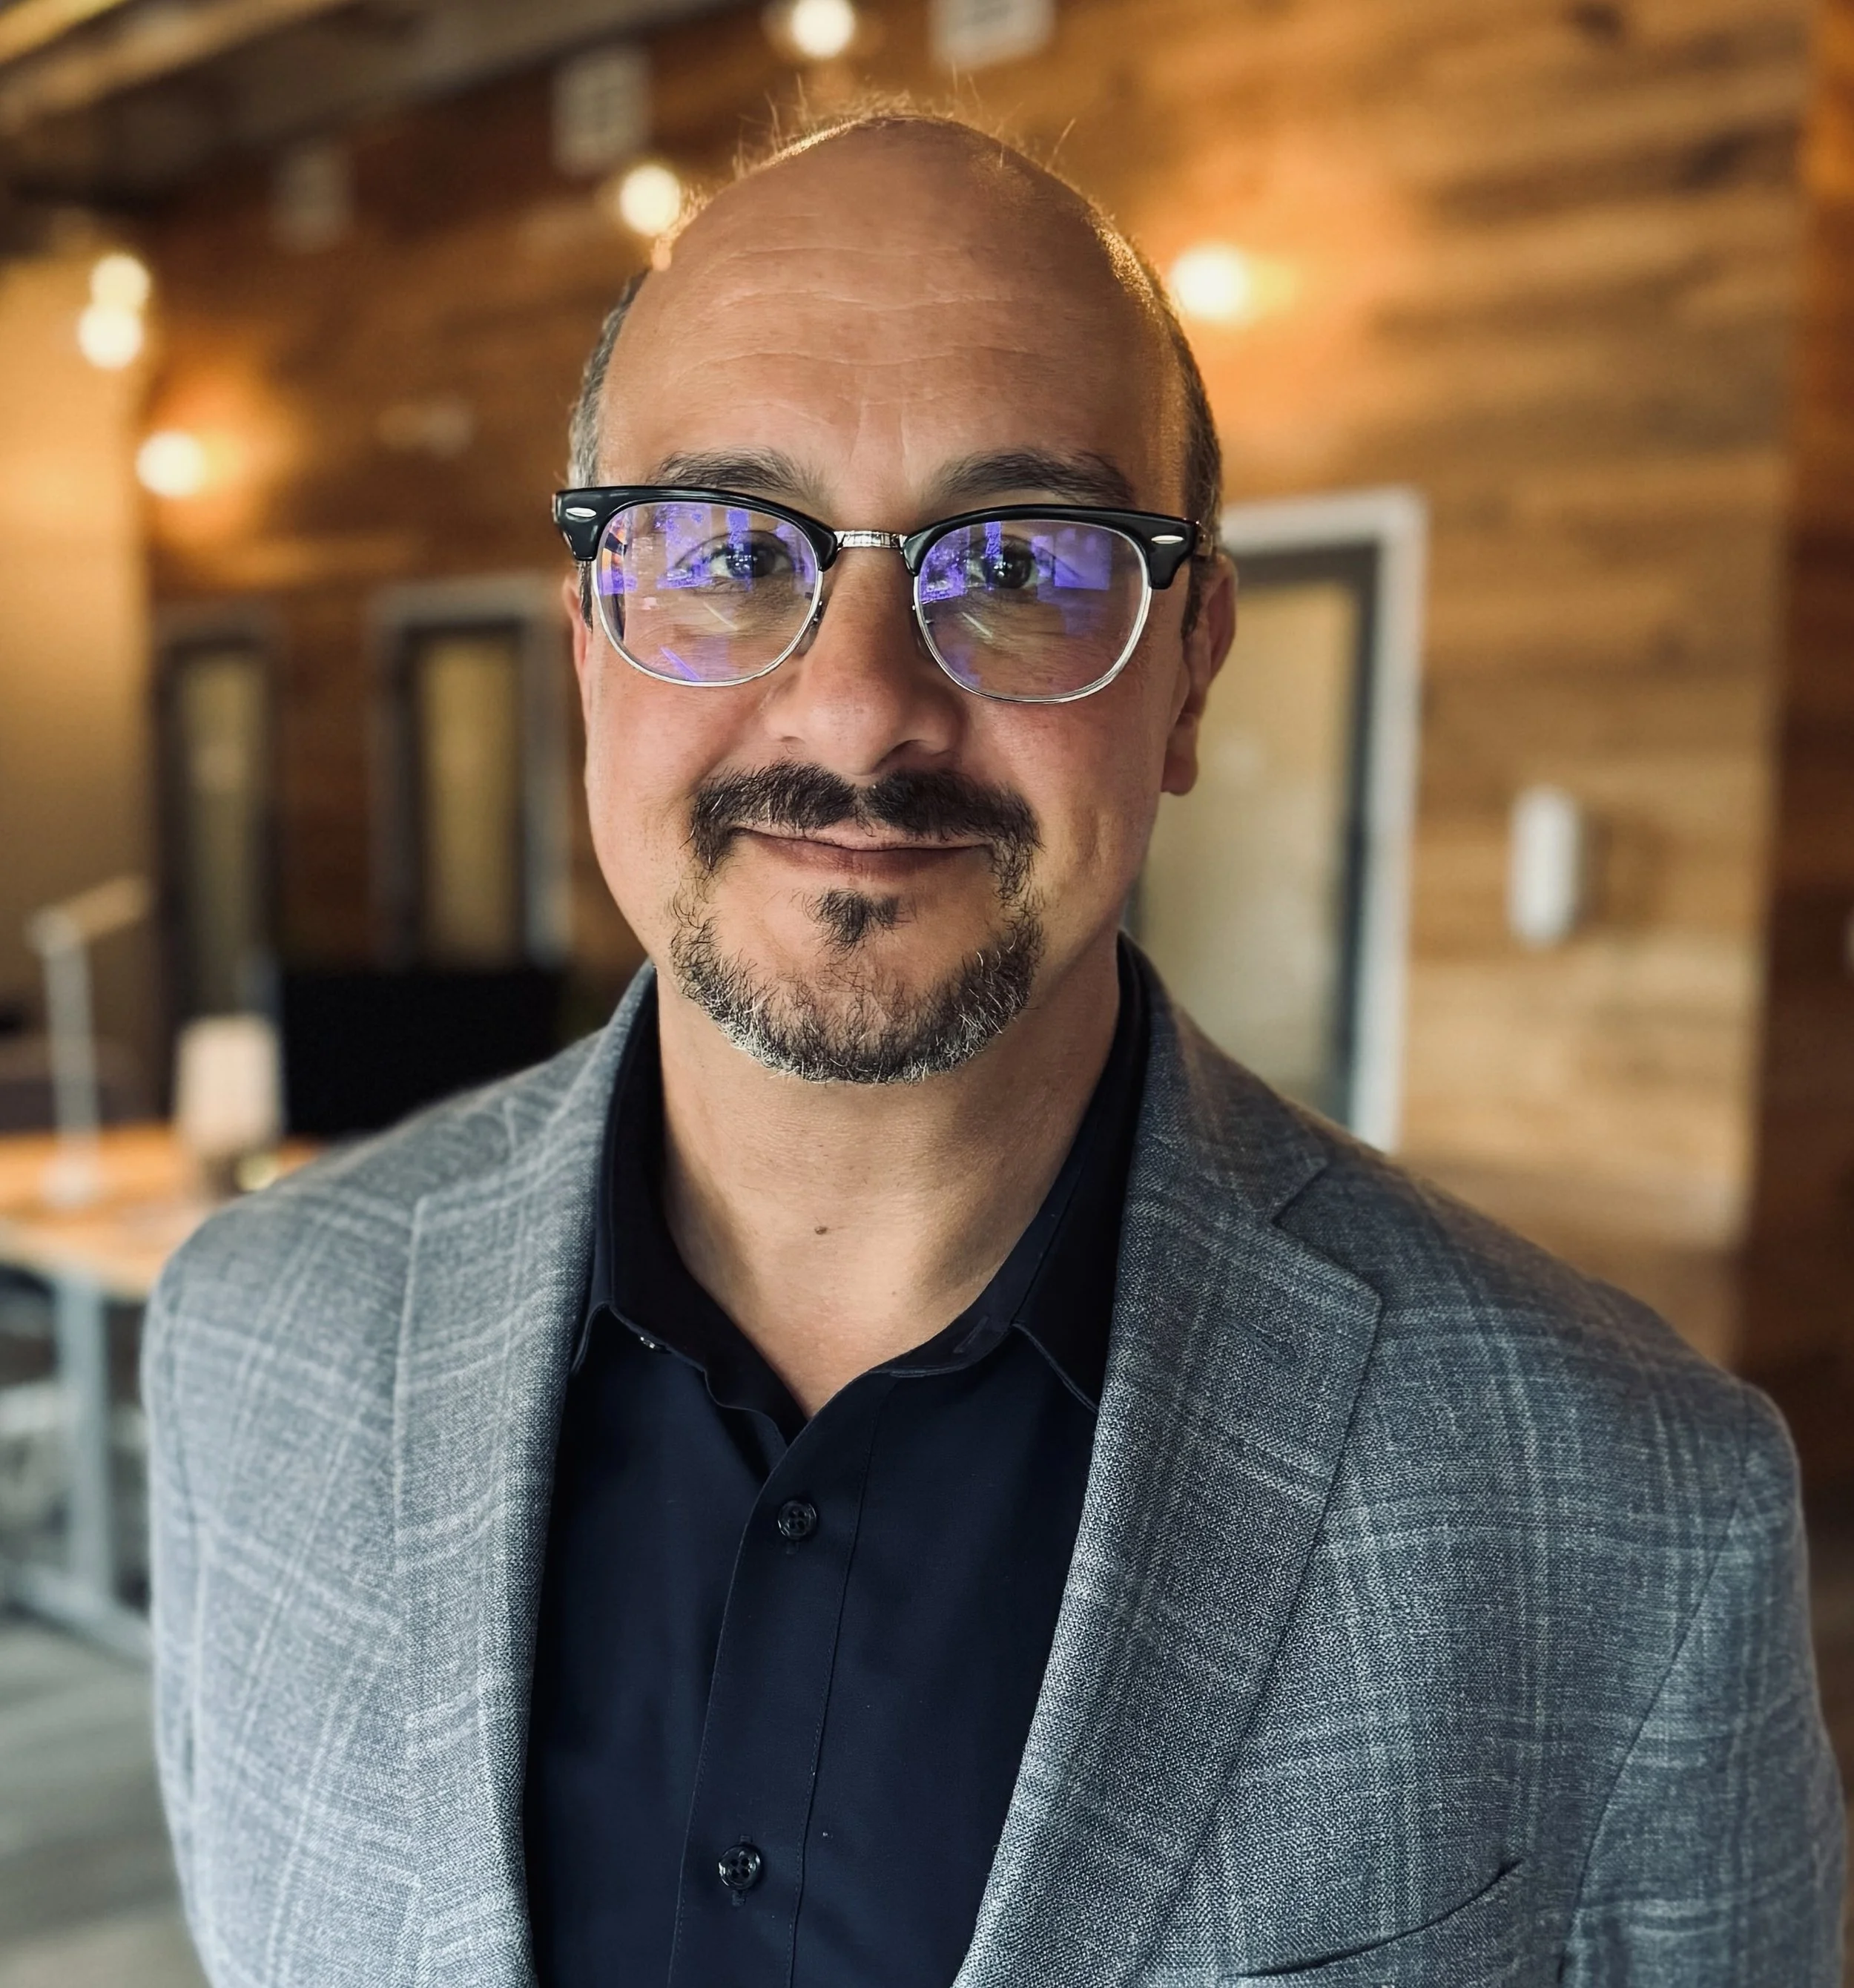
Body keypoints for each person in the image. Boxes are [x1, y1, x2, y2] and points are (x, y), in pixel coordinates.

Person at [144, 108, 1842, 1988]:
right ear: (588, 641)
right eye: (728, 546)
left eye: (1021, 563)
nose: (859, 707)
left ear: (1189, 670)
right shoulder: (254, 1341)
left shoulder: (1627, 1505)